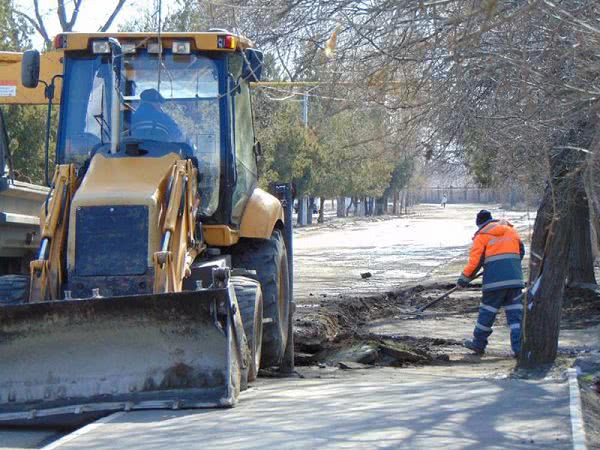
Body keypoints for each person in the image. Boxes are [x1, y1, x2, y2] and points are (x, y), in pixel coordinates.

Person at [457, 210, 525, 357]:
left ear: (479, 224)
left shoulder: (481, 237)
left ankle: (478, 344)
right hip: (515, 281)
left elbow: (475, 263)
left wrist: (464, 279)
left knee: (487, 314)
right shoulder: (511, 231)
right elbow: (521, 252)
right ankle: (519, 349)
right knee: (516, 317)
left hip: (494, 283)